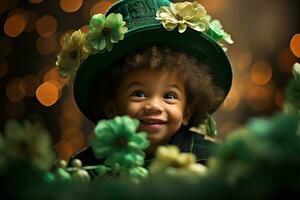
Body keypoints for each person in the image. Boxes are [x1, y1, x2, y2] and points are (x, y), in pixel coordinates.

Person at [56, 0, 233, 167]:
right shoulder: (87, 167)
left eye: (169, 96)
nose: (154, 106)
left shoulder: (211, 161)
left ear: (186, 111)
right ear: (112, 109)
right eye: (138, 94)